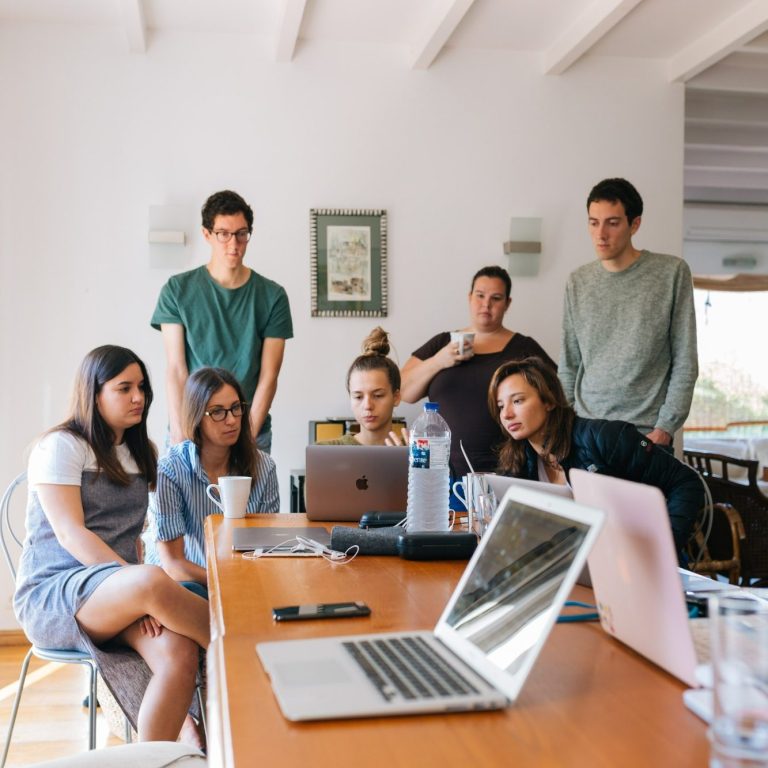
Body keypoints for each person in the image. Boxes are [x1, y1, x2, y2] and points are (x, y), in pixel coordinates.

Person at [13, 346, 209, 745]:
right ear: (94, 392)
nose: (139, 397)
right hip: (56, 594)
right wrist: (137, 587)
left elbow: (137, 534)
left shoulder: (141, 453)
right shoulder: (62, 446)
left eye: (142, 387)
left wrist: (137, 591)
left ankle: (152, 756)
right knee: (154, 581)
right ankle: (247, 648)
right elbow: (72, 534)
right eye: (124, 388)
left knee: (179, 654)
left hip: (120, 593)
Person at [488, 356, 703, 561]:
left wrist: (664, 549)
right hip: (582, 566)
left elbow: (686, 482)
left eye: (517, 401)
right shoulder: (519, 461)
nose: (506, 414)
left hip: (637, 563)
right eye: (500, 406)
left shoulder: (605, 438)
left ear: (549, 401)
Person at [559, 177, 698, 449]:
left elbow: (685, 360)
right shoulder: (578, 281)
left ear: (635, 224)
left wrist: (665, 428)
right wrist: (567, 424)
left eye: (612, 223)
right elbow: (569, 364)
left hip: (647, 435)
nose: (601, 234)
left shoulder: (671, 273)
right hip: (586, 431)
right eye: (593, 222)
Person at [151, 190, 293, 453]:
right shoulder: (177, 290)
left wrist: (247, 438)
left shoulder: (273, 296)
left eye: (241, 233)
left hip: (250, 429)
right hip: (192, 429)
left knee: (249, 496)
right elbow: (176, 369)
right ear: (207, 234)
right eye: (224, 234)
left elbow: (269, 376)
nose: (234, 243)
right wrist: (181, 433)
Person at [400, 265, 556, 478]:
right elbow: (403, 392)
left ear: (507, 303)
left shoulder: (524, 347)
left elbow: (556, 397)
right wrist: (439, 361)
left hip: (509, 470)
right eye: (480, 295)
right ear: (469, 297)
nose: (486, 304)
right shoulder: (442, 343)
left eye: (496, 298)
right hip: (441, 474)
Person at [144, 367, 279, 596]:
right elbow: (174, 565)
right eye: (217, 412)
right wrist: (227, 581)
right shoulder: (170, 469)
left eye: (236, 408)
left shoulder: (264, 466)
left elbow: (266, 549)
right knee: (192, 591)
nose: (231, 420)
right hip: (185, 584)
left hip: (244, 580)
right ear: (196, 417)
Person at [318, 327, 404, 446]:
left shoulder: (415, 453)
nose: (368, 406)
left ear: (396, 397)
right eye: (358, 397)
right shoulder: (324, 451)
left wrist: (409, 463)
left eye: (378, 395)